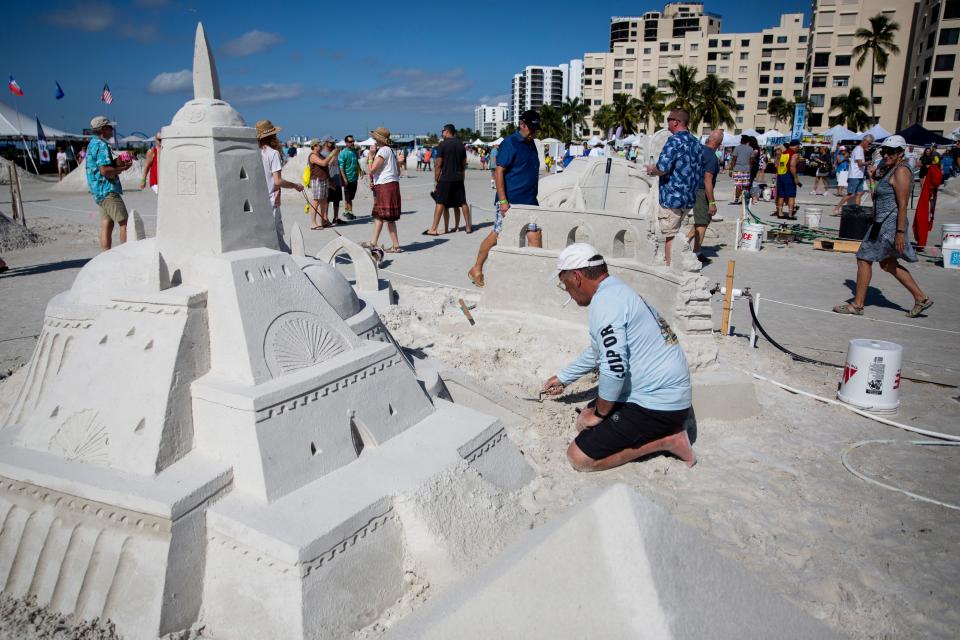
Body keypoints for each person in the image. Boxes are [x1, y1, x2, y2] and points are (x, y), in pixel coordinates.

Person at [542, 243, 695, 471]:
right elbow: (598, 352)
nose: (568, 293)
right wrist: (564, 377)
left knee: (579, 457)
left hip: (661, 405)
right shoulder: (615, 290)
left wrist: (601, 413)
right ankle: (654, 430)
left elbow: (613, 367)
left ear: (576, 277)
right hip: (662, 393)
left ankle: (668, 440)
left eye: (565, 284)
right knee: (583, 420)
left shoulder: (605, 303)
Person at [833, 136, 933, 319]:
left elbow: (903, 205)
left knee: (864, 258)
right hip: (882, 221)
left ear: (900, 153)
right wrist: (872, 178)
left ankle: (858, 304)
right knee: (888, 263)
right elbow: (876, 197)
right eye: (884, 151)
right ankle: (921, 298)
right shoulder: (890, 170)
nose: (886, 154)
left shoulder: (901, 171)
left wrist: (900, 232)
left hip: (890, 224)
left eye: (891, 151)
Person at [467, 110, 541, 288]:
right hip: (511, 201)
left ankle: (533, 280)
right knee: (497, 234)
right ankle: (476, 268)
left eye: (535, 129)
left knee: (535, 236)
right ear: (522, 124)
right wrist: (503, 201)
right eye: (531, 128)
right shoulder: (510, 143)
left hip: (530, 201)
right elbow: (499, 171)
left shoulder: (532, 144)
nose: (533, 132)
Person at [644, 108, 703, 267]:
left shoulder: (674, 141)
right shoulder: (696, 142)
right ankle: (676, 263)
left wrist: (651, 169)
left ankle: (670, 267)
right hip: (688, 197)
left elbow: (663, 168)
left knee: (669, 236)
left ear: (676, 122)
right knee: (676, 232)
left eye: (669, 119)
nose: (667, 122)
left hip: (672, 197)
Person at [256, 119, 304, 252]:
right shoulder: (272, 153)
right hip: (271, 198)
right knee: (276, 233)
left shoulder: (254, 153)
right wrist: (295, 185)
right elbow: (277, 181)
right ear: (272, 137)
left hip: (257, 199)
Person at [85, 116, 132, 251]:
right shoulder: (101, 144)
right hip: (107, 189)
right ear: (103, 129)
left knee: (107, 223)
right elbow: (105, 170)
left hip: (98, 190)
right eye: (110, 127)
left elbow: (105, 165)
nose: (112, 130)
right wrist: (123, 168)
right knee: (125, 223)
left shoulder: (92, 143)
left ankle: (104, 255)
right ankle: (127, 253)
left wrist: (120, 159)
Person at [425, 124, 471, 236]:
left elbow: (438, 164)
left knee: (440, 202)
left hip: (445, 178)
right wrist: (462, 177)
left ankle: (433, 228)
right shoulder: (461, 145)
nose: (442, 133)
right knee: (462, 202)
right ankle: (468, 226)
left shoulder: (443, 144)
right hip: (458, 178)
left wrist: (436, 180)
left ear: (447, 131)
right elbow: (464, 163)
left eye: (443, 131)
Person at [364, 127, 402, 253]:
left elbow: (372, 170)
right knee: (380, 216)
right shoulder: (390, 151)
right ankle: (374, 242)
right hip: (390, 184)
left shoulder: (383, 151)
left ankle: (395, 246)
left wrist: (370, 157)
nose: (374, 139)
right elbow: (398, 170)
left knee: (386, 217)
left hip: (385, 186)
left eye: (375, 137)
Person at [688, 129, 722, 264]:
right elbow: (708, 180)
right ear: (719, 144)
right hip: (702, 190)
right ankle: (696, 253)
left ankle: (684, 242)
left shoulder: (697, 150)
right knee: (702, 223)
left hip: (692, 188)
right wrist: (712, 202)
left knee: (700, 220)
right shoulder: (712, 157)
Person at [833, 134, 873, 213]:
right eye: (869, 143)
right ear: (865, 141)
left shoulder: (860, 149)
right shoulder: (858, 149)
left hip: (859, 175)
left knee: (860, 193)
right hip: (855, 175)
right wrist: (869, 162)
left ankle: (857, 210)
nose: (869, 145)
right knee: (850, 194)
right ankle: (837, 208)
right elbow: (860, 164)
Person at [307, 138, 338, 229]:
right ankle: (313, 223)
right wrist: (332, 154)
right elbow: (323, 163)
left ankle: (323, 221)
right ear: (314, 146)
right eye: (319, 145)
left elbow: (327, 165)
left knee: (324, 202)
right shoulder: (312, 155)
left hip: (324, 179)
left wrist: (334, 156)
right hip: (316, 180)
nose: (321, 146)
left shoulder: (320, 155)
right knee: (316, 201)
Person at [774, 139, 802, 219]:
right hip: (789, 176)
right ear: (796, 146)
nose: (799, 148)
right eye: (798, 146)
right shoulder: (794, 154)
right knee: (791, 196)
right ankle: (790, 215)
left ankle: (780, 213)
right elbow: (792, 166)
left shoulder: (783, 153)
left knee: (781, 195)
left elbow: (777, 164)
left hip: (780, 175)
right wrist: (796, 178)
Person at [338, 135, 360, 220]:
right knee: (348, 197)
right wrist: (344, 178)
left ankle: (346, 211)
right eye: (350, 141)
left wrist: (360, 171)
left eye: (353, 141)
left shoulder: (354, 151)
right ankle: (349, 212)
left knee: (351, 196)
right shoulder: (343, 153)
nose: (352, 143)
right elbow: (341, 167)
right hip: (347, 178)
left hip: (354, 178)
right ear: (346, 143)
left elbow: (358, 149)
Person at [728, 135, 754, 204]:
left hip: (738, 168)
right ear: (747, 141)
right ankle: (744, 199)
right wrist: (750, 171)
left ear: (741, 141)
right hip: (746, 169)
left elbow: (733, 160)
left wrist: (730, 170)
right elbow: (751, 161)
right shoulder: (751, 149)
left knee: (738, 185)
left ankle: (736, 199)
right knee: (745, 185)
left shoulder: (737, 148)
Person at [325, 140, 344, 224]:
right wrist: (334, 154)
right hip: (329, 179)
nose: (333, 144)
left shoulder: (336, 153)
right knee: (327, 200)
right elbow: (327, 164)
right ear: (326, 142)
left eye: (333, 143)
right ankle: (325, 218)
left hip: (337, 179)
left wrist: (342, 179)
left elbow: (339, 166)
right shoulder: (324, 153)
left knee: (337, 200)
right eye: (331, 143)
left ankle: (335, 217)